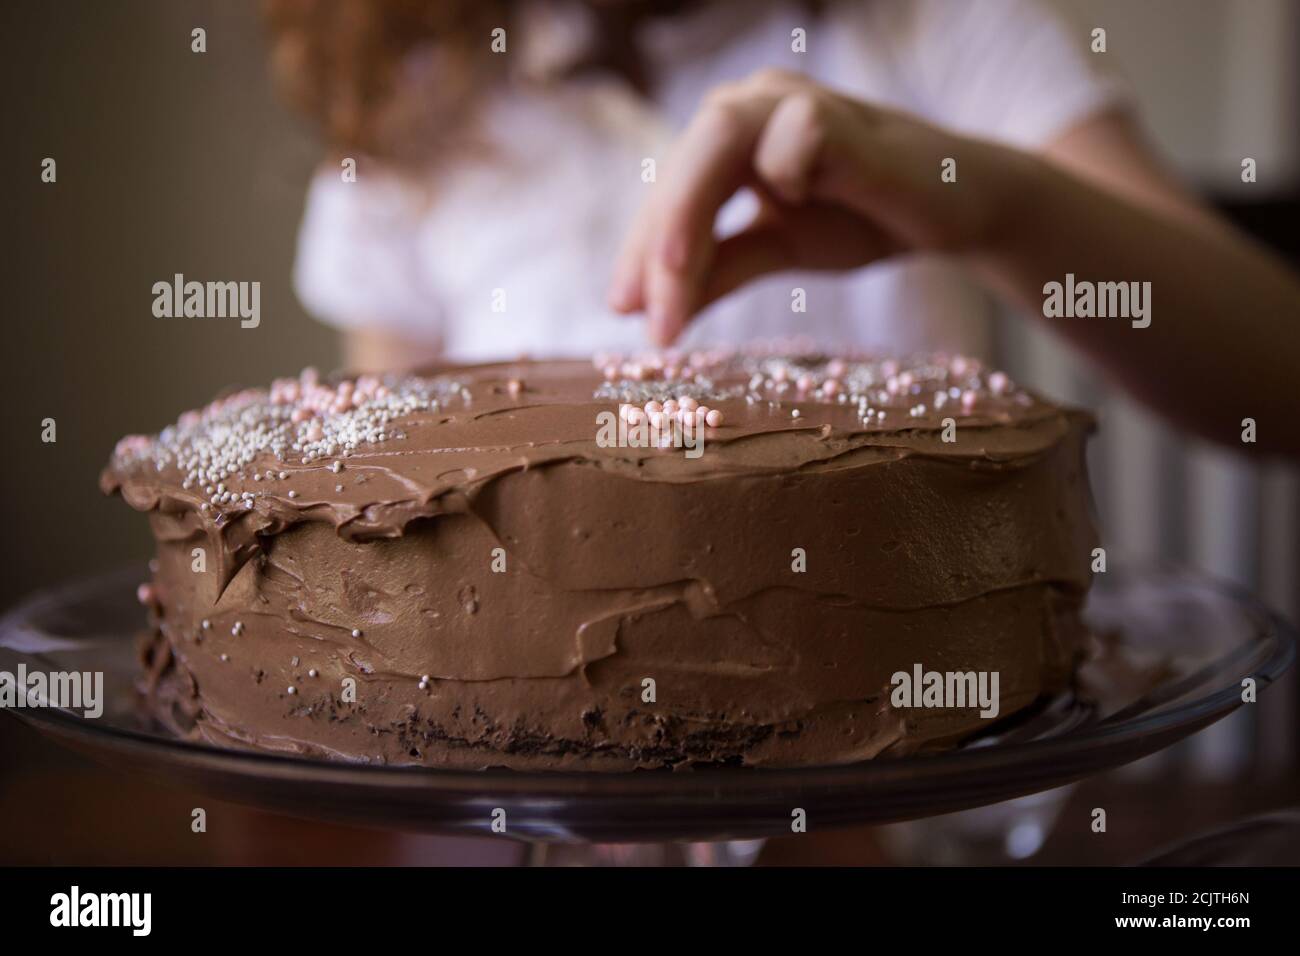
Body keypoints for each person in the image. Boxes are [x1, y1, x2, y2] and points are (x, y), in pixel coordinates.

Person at [268, 0, 1300, 455]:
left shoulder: (931, 24)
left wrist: (994, 204)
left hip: (897, 809)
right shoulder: (408, 113)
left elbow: (1280, 383)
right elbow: (385, 472)